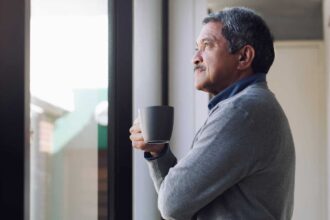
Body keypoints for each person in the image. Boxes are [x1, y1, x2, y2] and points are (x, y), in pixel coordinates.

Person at [130, 7, 295, 220]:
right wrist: (158, 152)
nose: (195, 58)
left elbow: (172, 204)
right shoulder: (255, 106)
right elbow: (177, 202)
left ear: (244, 56)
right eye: (196, 48)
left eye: (207, 46)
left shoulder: (241, 112)